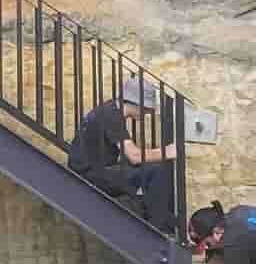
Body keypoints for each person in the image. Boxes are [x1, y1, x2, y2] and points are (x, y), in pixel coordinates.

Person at [67, 75, 177, 231]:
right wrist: (169, 151)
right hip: (89, 175)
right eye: (146, 109)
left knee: (150, 172)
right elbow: (134, 156)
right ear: (137, 103)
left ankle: (160, 219)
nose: (147, 113)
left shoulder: (109, 110)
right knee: (156, 170)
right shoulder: (110, 116)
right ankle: (160, 229)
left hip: (94, 170)